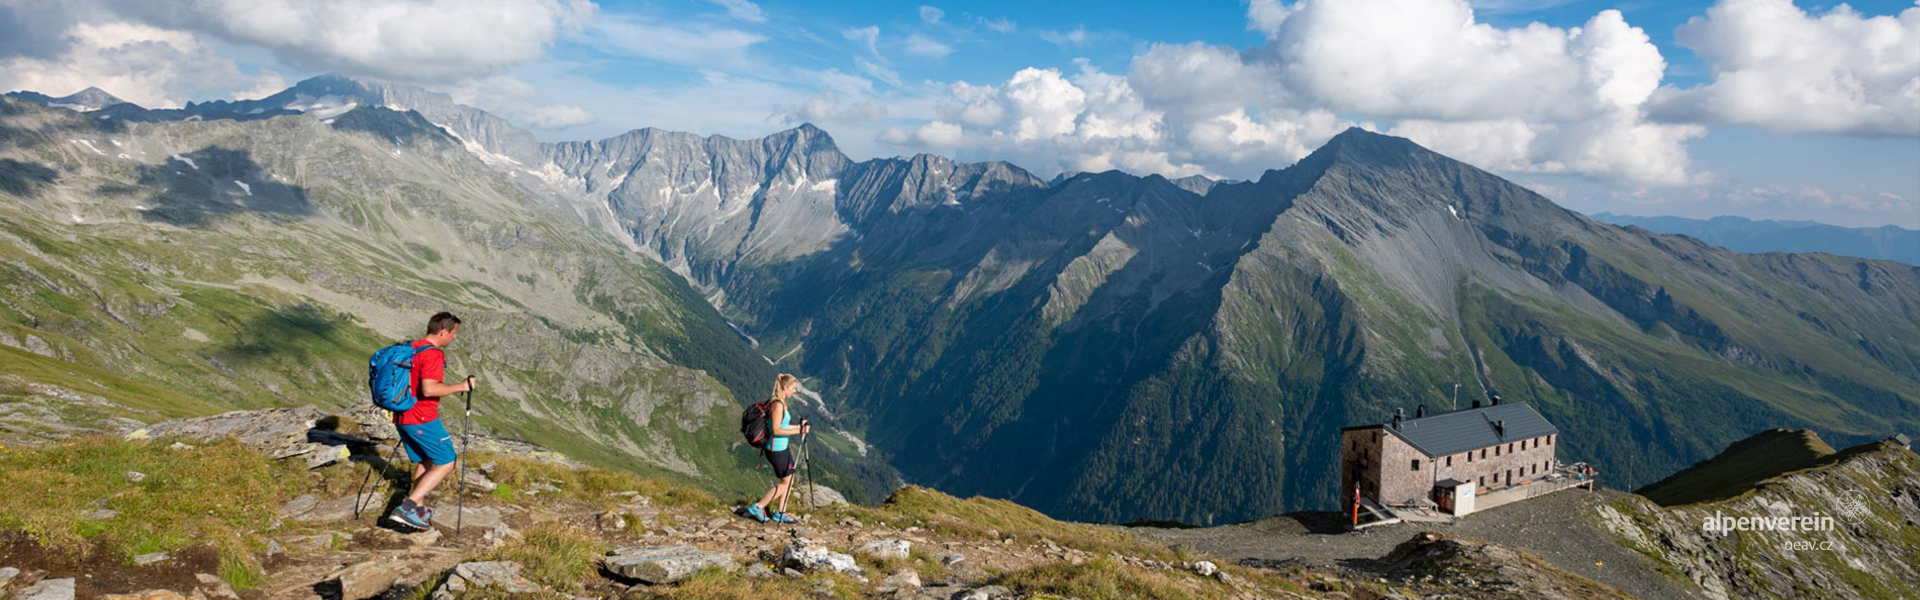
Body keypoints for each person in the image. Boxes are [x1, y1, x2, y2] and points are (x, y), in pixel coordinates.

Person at [388, 311, 477, 530]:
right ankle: (405, 509)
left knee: (426, 460)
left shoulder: (413, 347)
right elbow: (429, 389)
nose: (454, 338)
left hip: (402, 416)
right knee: (447, 461)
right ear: (443, 331)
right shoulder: (432, 354)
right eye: (454, 333)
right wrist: (462, 387)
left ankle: (417, 509)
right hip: (421, 417)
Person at [744, 373, 809, 524]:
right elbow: (776, 430)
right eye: (793, 388)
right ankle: (758, 506)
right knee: (785, 483)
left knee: (789, 480)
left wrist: (800, 428)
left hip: (782, 447)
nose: (794, 391)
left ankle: (781, 513)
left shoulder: (781, 403)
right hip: (776, 449)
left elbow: (783, 426)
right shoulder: (777, 405)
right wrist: (799, 431)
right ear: (785, 387)